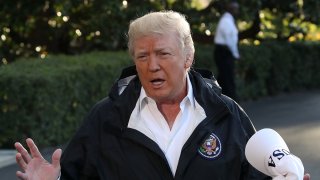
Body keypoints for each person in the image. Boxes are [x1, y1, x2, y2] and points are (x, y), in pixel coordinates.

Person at [14, 10, 311, 180]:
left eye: (163, 53)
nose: (152, 65)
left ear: (188, 57)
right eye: (142, 56)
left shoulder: (225, 113)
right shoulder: (107, 117)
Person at [214, 1, 240, 101]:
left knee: (223, 78)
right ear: (231, 9)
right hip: (224, 52)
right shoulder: (226, 21)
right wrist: (236, 54)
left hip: (224, 52)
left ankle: (220, 101)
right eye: (236, 9)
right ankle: (231, 102)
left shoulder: (228, 20)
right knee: (227, 78)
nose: (238, 11)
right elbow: (230, 40)